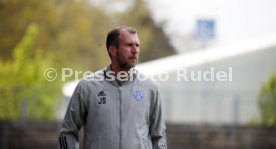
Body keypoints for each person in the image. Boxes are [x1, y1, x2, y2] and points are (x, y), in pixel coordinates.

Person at [59, 26, 167, 149]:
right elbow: (67, 132)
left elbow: (159, 135)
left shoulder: (150, 88)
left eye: (137, 45)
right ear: (112, 50)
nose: (135, 50)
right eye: (129, 45)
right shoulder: (87, 87)